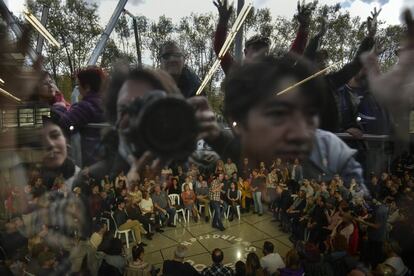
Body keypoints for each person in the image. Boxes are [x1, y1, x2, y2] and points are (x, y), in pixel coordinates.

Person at [213, 0, 312, 74]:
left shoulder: (273, 74)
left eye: (265, 50)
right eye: (256, 49)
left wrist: (303, 28)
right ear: (245, 52)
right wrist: (222, 22)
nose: (261, 53)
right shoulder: (236, 72)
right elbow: (220, 49)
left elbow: (293, 56)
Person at [52, 66, 106, 166]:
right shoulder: (102, 102)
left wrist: (60, 107)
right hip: (102, 158)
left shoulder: (87, 106)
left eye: (79, 85)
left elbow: (66, 124)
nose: (78, 88)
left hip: (91, 160)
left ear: (87, 87)